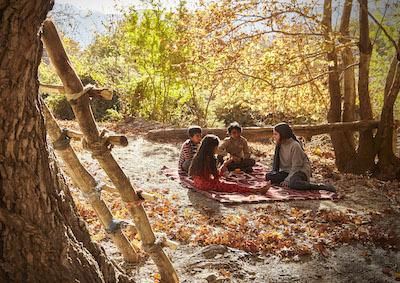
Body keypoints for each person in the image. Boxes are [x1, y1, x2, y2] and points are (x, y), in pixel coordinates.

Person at [265, 122, 336, 192]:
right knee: (269, 177)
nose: (273, 136)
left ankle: (319, 186)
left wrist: (287, 180)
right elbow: (276, 166)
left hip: (300, 171)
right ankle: (290, 179)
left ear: (283, 134)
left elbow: (297, 166)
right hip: (287, 171)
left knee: (294, 184)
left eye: (275, 134)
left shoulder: (295, 146)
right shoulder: (279, 144)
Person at [189, 134, 270, 193]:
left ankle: (256, 189)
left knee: (229, 182)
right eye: (216, 147)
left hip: (198, 182)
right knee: (232, 186)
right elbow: (216, 177)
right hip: (205, 184)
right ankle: (256, 190)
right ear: (212, 147)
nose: (217, 148)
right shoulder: (210, 159)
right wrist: (225, 165)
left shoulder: (198, 156)